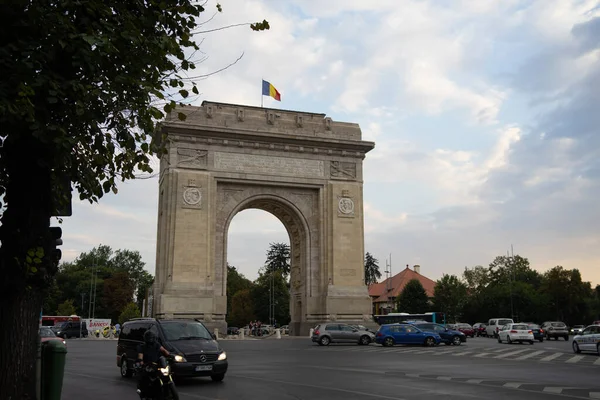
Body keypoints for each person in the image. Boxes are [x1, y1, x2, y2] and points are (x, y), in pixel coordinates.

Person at [136, 330, 170, 396]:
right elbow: (140, 356)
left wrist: (170, 355)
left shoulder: (157, 344)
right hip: (148, 366)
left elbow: (164, 350)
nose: (150, 339)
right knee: (144, 377)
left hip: (157, 365)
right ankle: (143, 391)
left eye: (151, 338)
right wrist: (141, 362)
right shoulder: (142, 347)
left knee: (165, 374)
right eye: (149, 338)